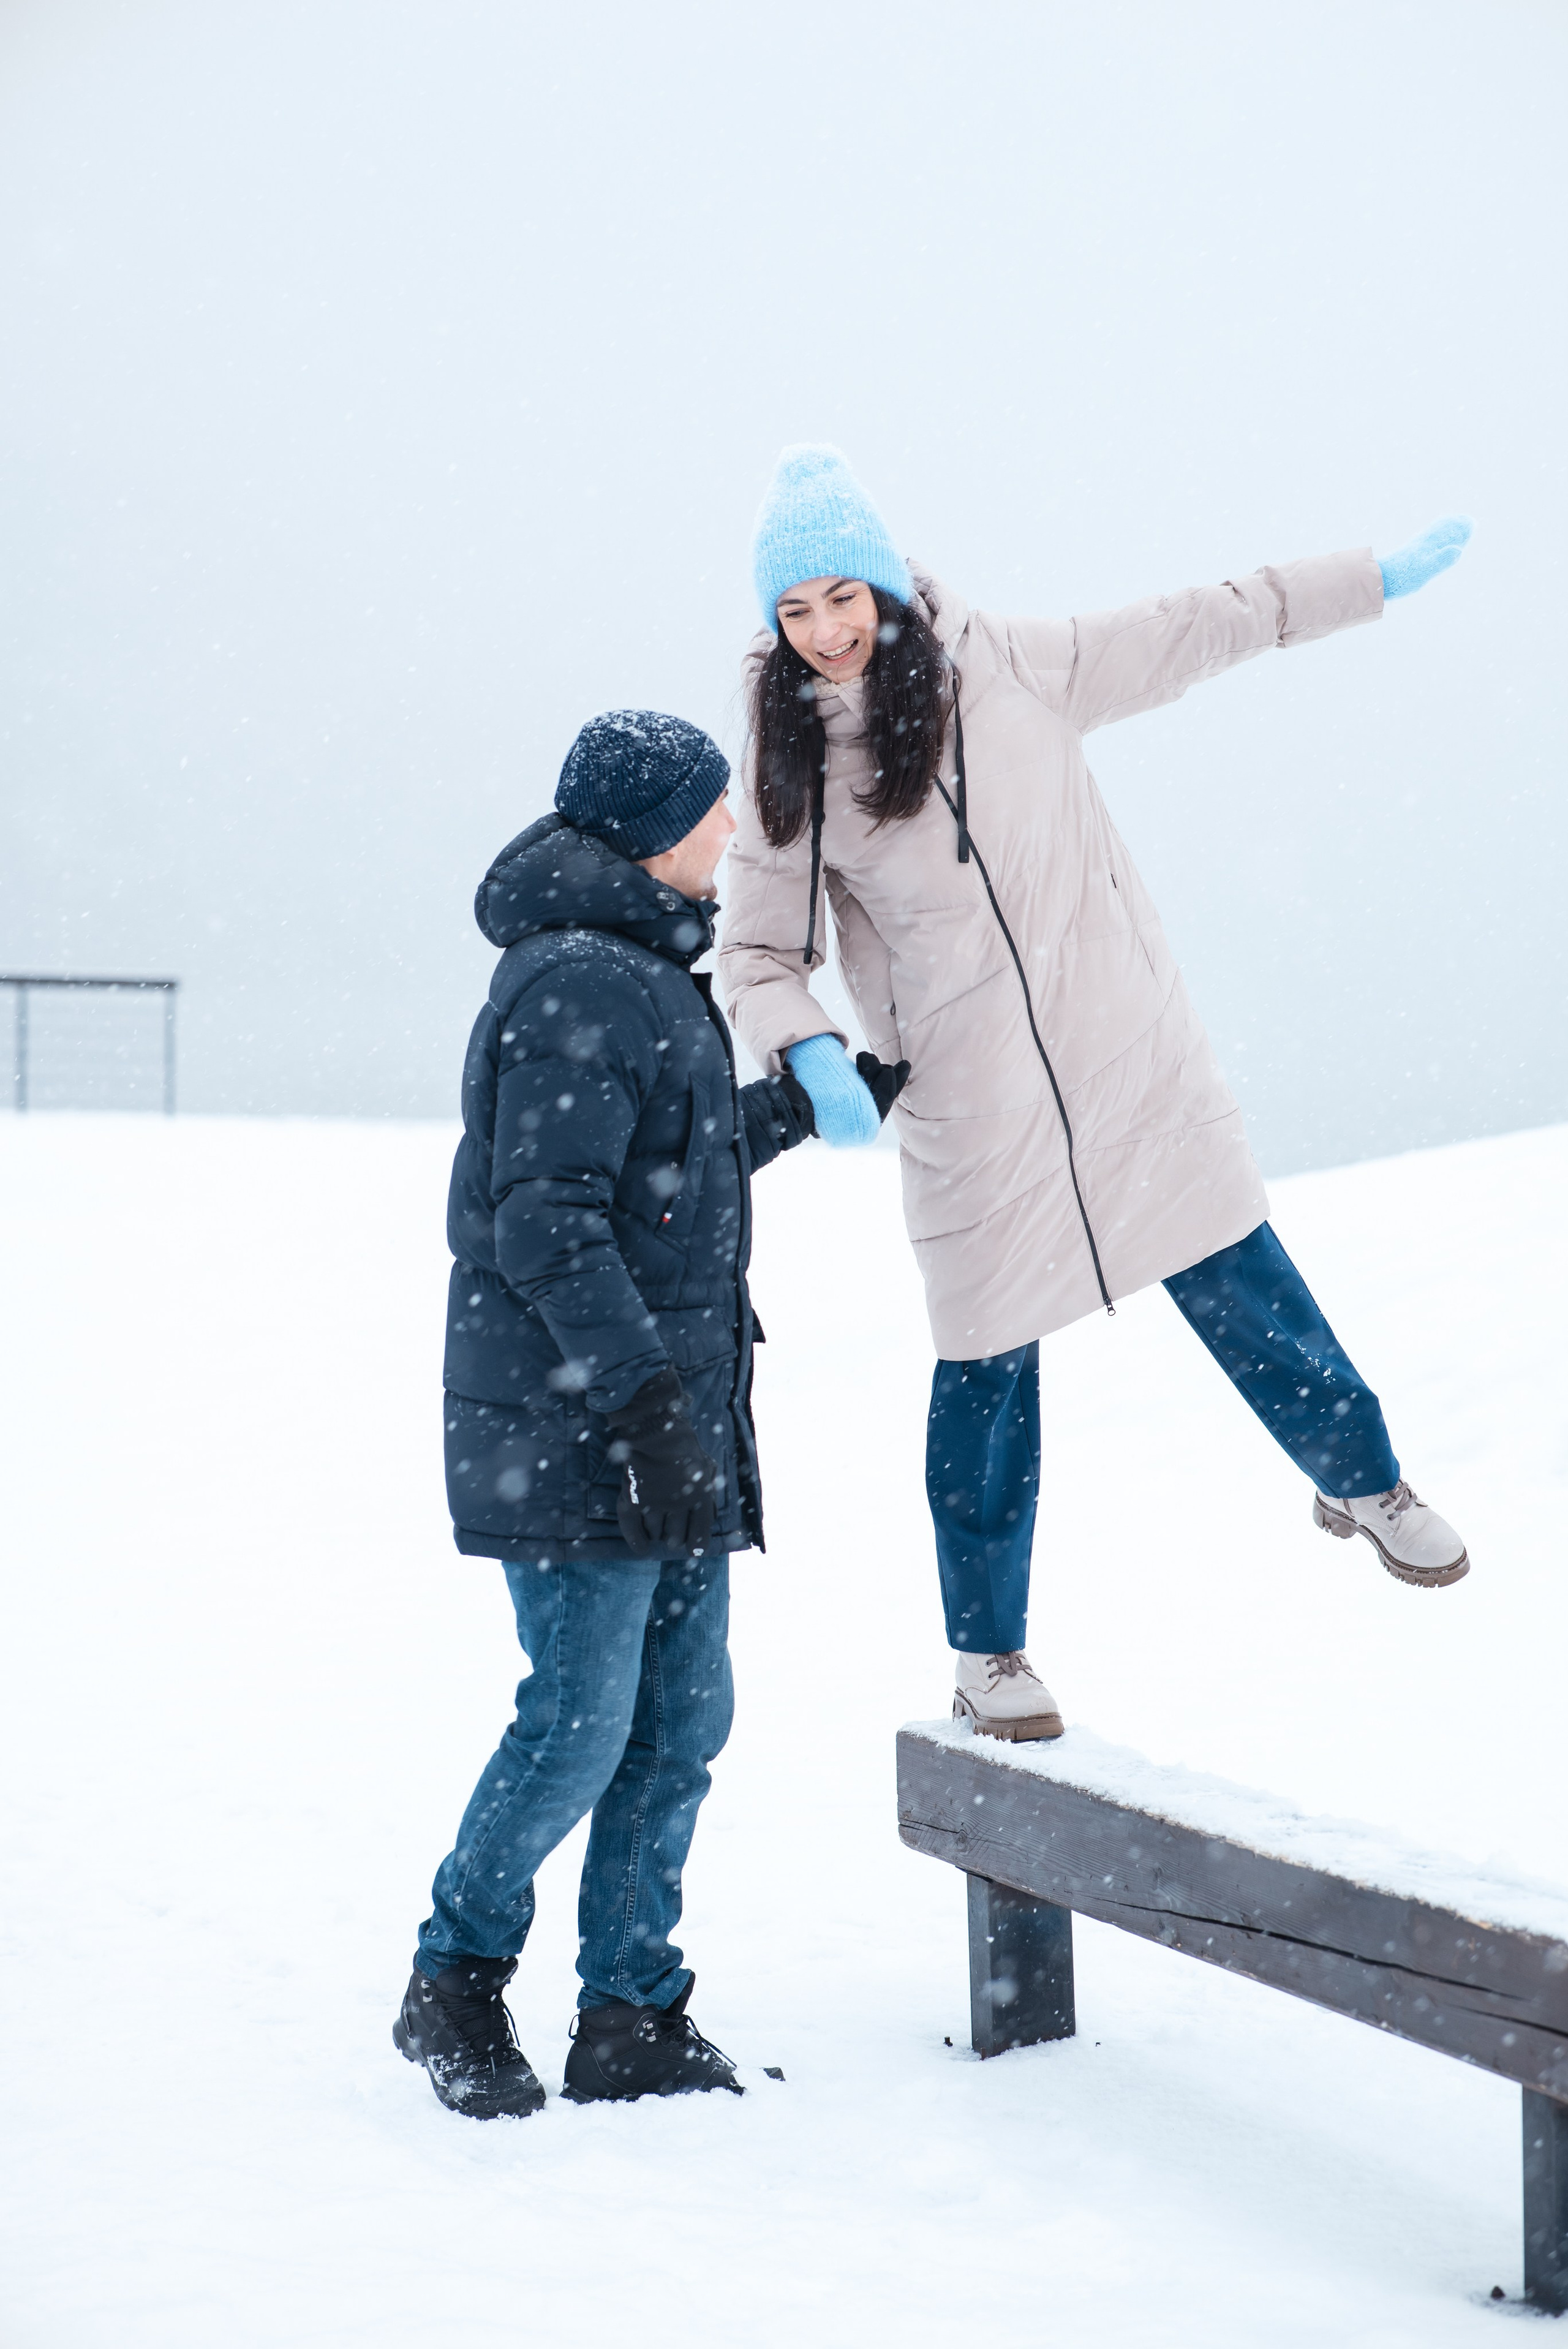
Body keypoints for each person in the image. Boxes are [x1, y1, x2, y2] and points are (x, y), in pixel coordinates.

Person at [718, 443, 1472, 1746]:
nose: (826, 633)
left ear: (889, 585)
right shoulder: (790, 772)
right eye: (796, 612)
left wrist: (1368, 581)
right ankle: (987, 1653)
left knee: (1243, 1281)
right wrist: (810, 1051)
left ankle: (1365, 1482)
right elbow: (754, 951)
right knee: (984, 1380)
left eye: (842, 596)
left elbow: (1204, 621)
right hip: (970, 1111)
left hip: (1126, 1059)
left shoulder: (1010, 664)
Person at [394, 709, 867, 2118]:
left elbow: (666, 1165)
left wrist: (799, 1102)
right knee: (582, 1721)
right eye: (712, 812)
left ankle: (628, 2013)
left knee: (677, 1718)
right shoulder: (576, 985)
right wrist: (647, 1403)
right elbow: (544, 1222)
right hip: (576, 1424)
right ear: (652, 829)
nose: (733, 835)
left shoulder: (642, 974)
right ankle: (454, 1984)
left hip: (647, 1418)